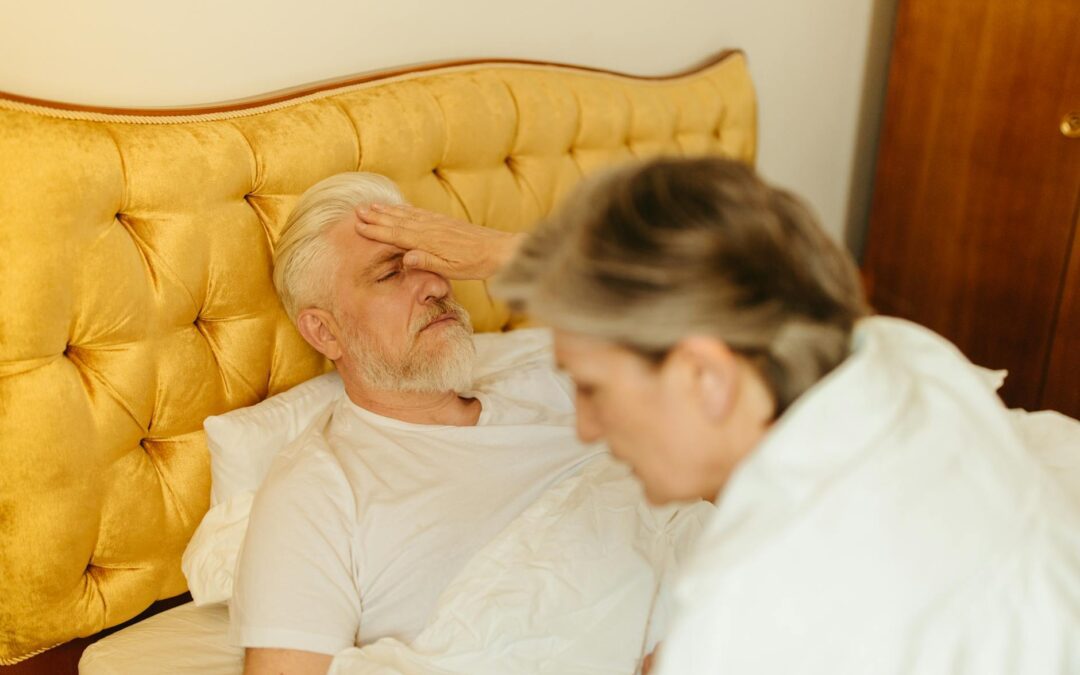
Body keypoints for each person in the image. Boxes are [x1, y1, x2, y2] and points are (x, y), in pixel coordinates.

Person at [355, 156, 1080, 674]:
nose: (586, 428)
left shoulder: (750, 611)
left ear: (705, 374)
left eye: (593, 387)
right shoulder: (906, 358)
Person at [233, 172, 602, 675]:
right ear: (324, 331)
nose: (436, 283)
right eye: (391, 273)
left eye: (430, 259)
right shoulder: (319, 492)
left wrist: (509, 254)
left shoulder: (552, 377)